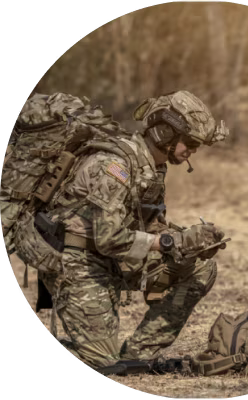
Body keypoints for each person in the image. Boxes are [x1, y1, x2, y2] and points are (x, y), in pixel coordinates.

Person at [35, 90, 229, 370]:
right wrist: (169, 241)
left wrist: (190, 240)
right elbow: (108, 238)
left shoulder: (153, 168)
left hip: (114, 259)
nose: (193, 151)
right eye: (190, 142)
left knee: (200, 267)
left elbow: (150, 225)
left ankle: (139, 353)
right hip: (79, 261)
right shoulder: (115, 166)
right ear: (166, 133)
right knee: (103, 365)